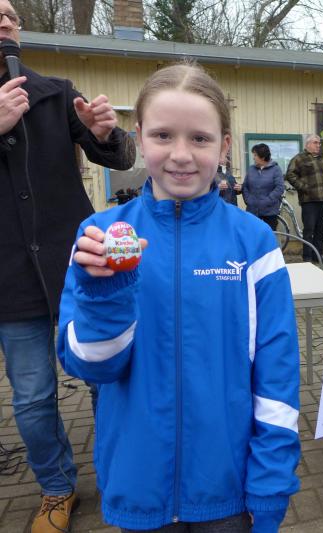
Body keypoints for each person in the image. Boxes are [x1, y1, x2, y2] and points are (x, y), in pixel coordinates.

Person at [56, 63, 301, 532]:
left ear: (224, 146)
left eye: (200, 138)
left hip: (228, 489)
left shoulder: (254, 241)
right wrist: (105, 297)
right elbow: (91, 367)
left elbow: (278, 372)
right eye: (163, 135)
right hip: (138, 483)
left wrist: (271, 481)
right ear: (139, 137)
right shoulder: (98, 235)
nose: (181, 155)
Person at [0, 2, 136, 531]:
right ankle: (57, 488)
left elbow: (120, 159)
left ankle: (121, 471)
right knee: (33, 399)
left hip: (77, 270)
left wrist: (105, 133)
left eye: (11, 15)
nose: (6, 22)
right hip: (10, 282)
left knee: (105, 380)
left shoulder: (54, 93)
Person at [285, 134, 323, 262]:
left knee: (321, 231)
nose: (318, 145)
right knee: (309, 230)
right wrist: (304, 187)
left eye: (319, 143)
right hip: (309, 201)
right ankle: (307, 257)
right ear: (308, 144)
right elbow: (290, 175)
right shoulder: (299, 159)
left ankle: (317, 256)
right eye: (315, 143)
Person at [243, 143, 284, 229]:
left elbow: (279, 188)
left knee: (269, 234)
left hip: (270, 212)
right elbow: (245, 186)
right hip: (252, 211)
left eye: (255, 155)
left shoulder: (276, 169)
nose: (253, 158)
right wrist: (248, 200)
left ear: (263, 157)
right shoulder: (251, 169)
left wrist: (267, 201)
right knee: (253, 234)